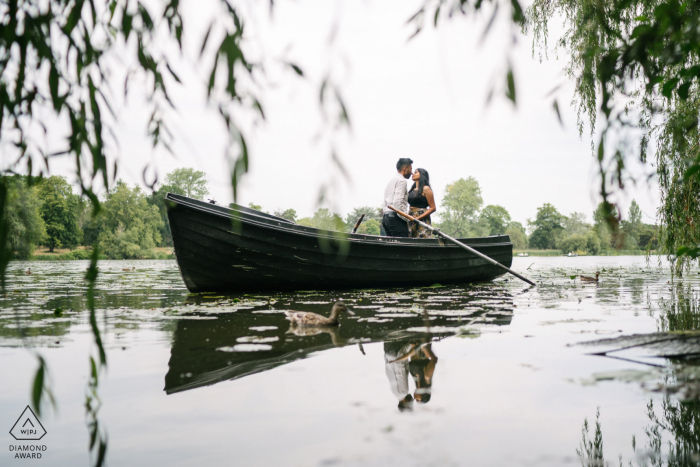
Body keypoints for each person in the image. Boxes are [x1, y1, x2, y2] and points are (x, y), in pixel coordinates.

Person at [382, 158, 413, 237]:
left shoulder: (392, 180)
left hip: (386, 217)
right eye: (410, 169)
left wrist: (386, 214)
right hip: (396, 218)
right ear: (405, 168)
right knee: (403, 246)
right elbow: (398, 203)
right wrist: (407, 219)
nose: (411, 172)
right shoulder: (402, 181)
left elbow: (385, 201)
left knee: (391, 246)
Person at [407, 168, 437, 238]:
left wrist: (419, 217)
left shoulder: (426, 189)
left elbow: (433, 208)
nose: (413, 174)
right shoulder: (412, 189)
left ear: (422, 175)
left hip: (421, 217)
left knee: (422, 238)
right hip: (411, 216)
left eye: (416, 172)